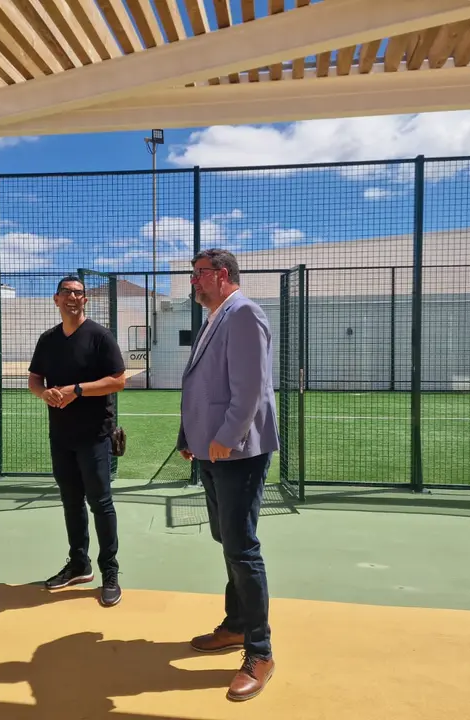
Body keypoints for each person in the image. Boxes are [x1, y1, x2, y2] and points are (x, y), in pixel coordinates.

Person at [177, 249, 279, 702]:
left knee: (242, 546)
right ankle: (237, 625)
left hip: (235, 451)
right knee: (227, 538)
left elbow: (251, 386)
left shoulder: (243, 313)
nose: (193, 282)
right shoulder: (216, 317)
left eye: (198, 275)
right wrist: (189, 436)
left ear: (221, 275)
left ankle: (260, 652)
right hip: (211, 451)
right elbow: (198, 383)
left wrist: (227, 437)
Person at [28, 275, 127, 607]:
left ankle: (109, 572)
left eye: (79, 293)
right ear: (56, 299)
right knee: (71, 502)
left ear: (85, 301)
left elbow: (118, 380)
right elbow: (34, 379)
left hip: (96, 435)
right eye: (66, 293)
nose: (73, 297)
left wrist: (77, 390)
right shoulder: (48, 340)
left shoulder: (100, 337)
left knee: (100, 503)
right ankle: (79, 564)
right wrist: (45, 393)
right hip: (61, 436)